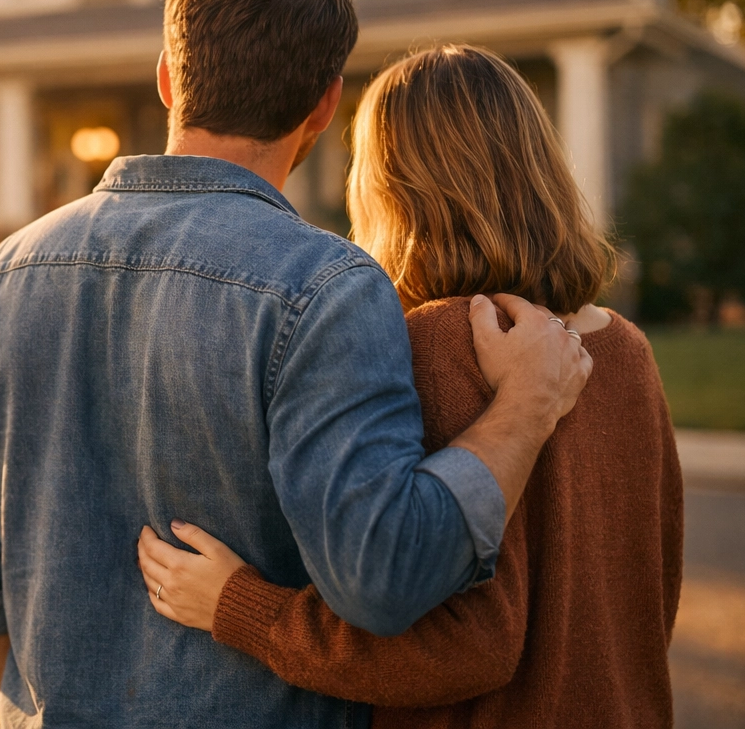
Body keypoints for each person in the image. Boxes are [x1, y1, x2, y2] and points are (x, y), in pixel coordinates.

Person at [0, 0, 593, 728]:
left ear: (168, 78)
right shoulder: (329, 291)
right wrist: (524, 406)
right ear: (324, 106)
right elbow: (383, 575)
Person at [138, 44, 682, 727]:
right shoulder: (625, 350)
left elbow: (461, 648)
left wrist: (242, 609)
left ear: (389, 187)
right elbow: (651, 596)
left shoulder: (438, 346)